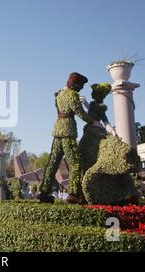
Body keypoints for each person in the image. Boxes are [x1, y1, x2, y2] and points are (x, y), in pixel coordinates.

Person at [38, 72, 94, 204]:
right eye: (80, 86)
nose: (81, 88)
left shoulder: (59, 95)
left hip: (58, 131)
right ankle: (74, 193)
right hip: (68, 131)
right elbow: (80, 113)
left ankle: (44, 192)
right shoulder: (72, 95)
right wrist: (93, 121)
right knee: (76, 162)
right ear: (75, 84)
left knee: (53, 162)